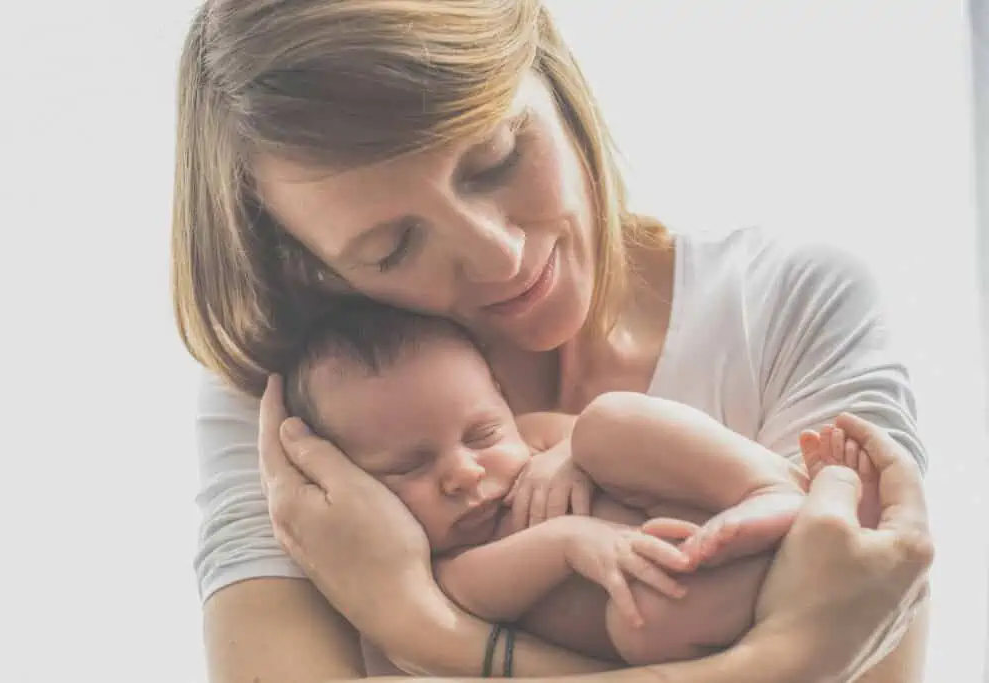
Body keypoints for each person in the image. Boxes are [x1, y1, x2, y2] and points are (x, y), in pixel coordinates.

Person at [171, 1, 934, 681]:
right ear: (315, 268)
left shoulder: (787, 306)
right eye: (392, 247)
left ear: (554, 73)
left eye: (499, 157)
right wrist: (784, 659)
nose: (500, 253)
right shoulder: (304, 406)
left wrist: (428, 630)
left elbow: (873, 627)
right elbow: (826, 639)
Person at [280, 299, 883, 666]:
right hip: (702, 606)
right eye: (408, 467)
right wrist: (572, 539)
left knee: (608, 423)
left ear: (502, 402)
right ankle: (802, 534)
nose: (464, 472)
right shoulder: (438, 569)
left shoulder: (535, 436)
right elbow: (470, 599)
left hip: (703, 513)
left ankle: (769, 490)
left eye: (483, 434)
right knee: (642, 622)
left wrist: (569, 452)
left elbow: (613, 444)